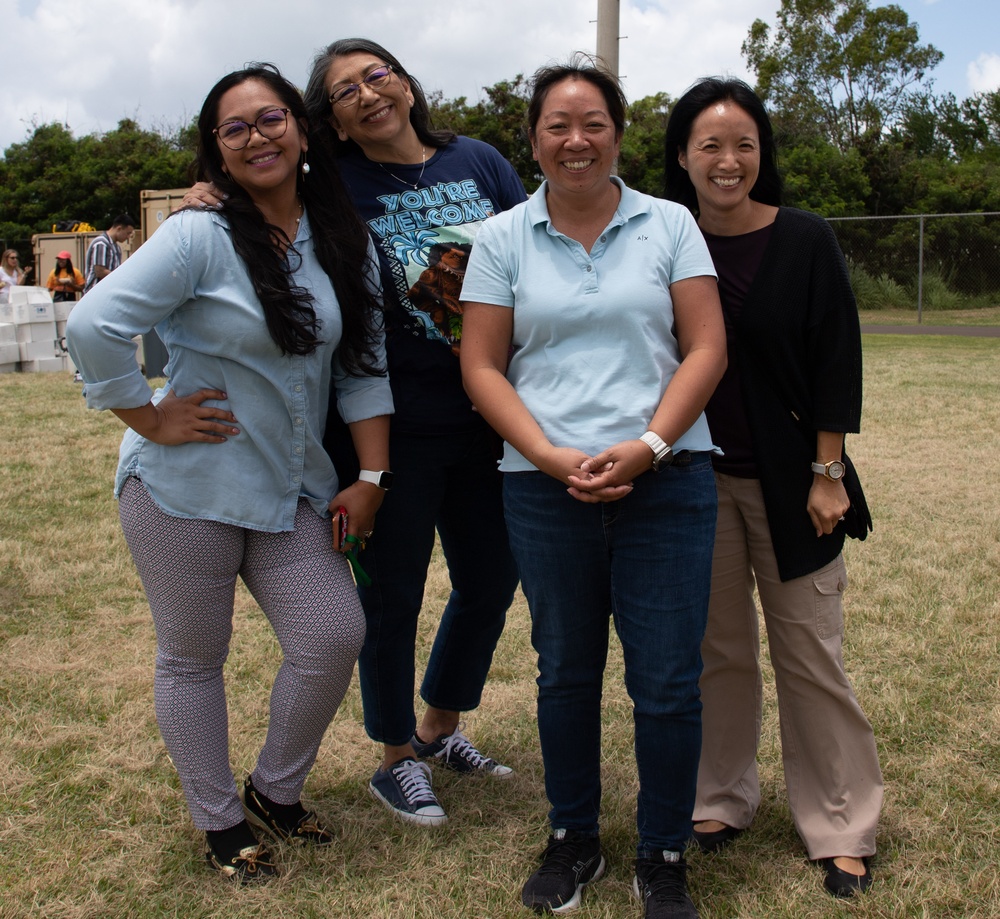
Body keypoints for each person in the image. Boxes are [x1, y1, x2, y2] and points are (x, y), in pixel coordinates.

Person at [67, 63, 393, 885]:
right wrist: (146, 415)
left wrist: (373, 475)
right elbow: (95, 323)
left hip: (291, 485)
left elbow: (362, 367)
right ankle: (220, 822)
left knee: (332, 635)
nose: (258, 136)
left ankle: (275, 789)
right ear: (216, 149)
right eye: (235, 127)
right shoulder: (198, 235)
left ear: (303, 130)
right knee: (192, 657)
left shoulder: (343, 238)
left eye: (271, 118)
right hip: (186, 488)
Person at [461, 58, 727, 918]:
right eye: (557, 126)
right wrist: (545, 454)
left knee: (667, 680)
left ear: (619, 133)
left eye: (594, 125)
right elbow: (481, 365)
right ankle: (573, 838)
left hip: (670, 482)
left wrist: (649, 445)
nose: (576, 142)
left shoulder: (671, 224)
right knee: (565, 673)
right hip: (543, 490)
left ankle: (662, 851)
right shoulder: (500, 237)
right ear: (533, 139)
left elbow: (706, 349)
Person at [663, 77, 883, 898]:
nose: (728, 160)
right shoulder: (659, 235)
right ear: (681, 155)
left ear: (762, 155)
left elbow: (837, 357)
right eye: (710, 145)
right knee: (716, 652)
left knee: (809, 652)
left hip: (796, 484)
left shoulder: (804, 239)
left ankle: (842, 821)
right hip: (693, 483)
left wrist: (828, 473)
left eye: (744, 144)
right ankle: (719, 797)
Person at [83, 214, 135, 293]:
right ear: (119, 229)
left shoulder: (116, 247)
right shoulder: (101, 243)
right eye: (128, 233)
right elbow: (100, 271)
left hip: (107, 292)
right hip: (96, 293)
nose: (128, 237)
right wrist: (121, 278)